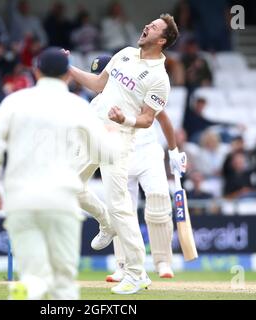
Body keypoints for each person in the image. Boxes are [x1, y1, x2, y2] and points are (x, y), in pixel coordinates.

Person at [0, 48, 117, 300]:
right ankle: (34, 288)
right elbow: (106, 154)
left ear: (36, 71)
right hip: (61, 200)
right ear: (67, 75)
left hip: (21, 199)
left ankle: (29, 288)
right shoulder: (78, 106)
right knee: (63, 283)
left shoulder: (15, 101)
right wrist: (111, 134)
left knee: (33, 274)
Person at [65, 14, 186, 294]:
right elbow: (97, 84)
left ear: (162, 40)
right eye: (149, 23)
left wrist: (124, 120)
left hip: (119, 138)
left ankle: (136, 273)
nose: (147, 26)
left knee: (121, 205)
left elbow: (147, 120)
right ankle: (106, 222)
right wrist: (67, 67)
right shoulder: (126, 53)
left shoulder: (159, 79)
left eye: (154, 27)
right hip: (93, 128)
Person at [88, 55, 185, 282]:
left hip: (148, 152)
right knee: (122, 209)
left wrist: (173, 152)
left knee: (159, 198)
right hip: (119, 157)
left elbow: (164, 121)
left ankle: (162, 261)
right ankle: (123, 265)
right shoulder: (95, 105)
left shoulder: (135, 89)